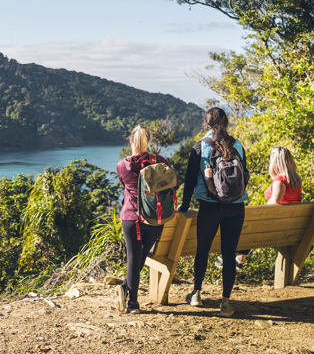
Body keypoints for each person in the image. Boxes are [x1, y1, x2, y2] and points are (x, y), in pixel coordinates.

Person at [177, 107, 248, 317]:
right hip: (236, 207)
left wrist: (184, 204)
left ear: (206, 123)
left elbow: (190, 180)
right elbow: (245, 175)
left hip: (209, 206)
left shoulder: (200, 146)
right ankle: (225, 303)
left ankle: (197, 294)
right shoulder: (238, 144)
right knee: (228, 254)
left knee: (203, 250)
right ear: (226, 123)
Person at [115, 124, 179, 314]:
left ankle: (132, 302)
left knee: (134, 258)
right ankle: (126, 288)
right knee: (141, 255)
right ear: (149, 142)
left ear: (131, 141)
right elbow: (174, 185)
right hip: (154, 218)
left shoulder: (122, 165)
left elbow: (124, 185)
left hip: (131, 217)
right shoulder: (160, 162)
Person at [215, 146, 302, 271]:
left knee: (252, 224)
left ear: (276, 161)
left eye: (269, 158)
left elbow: (273, 203)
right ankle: (238, 258)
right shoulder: (295, 181)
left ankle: (234, 255)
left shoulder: (280, 181)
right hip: (290, 228)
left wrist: (259, 216)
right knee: (254, 227)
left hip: (275, 227)